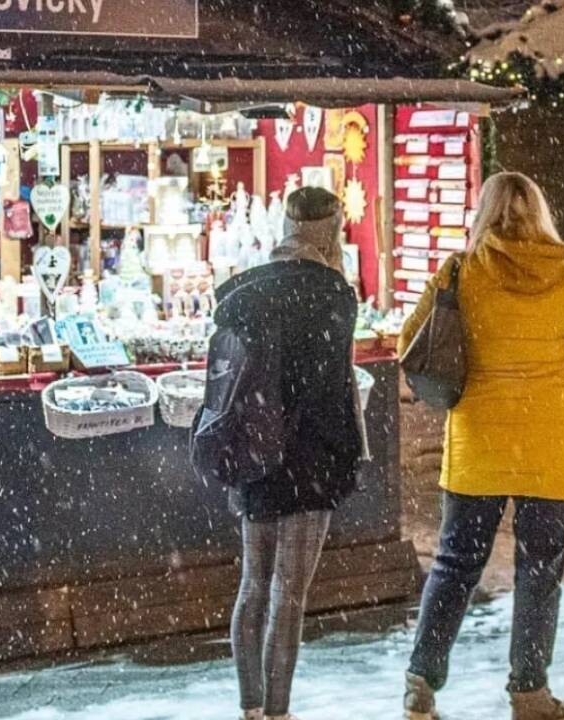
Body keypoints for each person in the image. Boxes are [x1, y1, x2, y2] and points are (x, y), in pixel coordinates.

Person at [398, 172, 564, 720]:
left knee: (454, 566)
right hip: (548, 449)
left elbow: (412, 344)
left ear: (484, 211)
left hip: (479, 443)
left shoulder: (461, 270)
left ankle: (421, 683)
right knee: (540, 571)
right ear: (541, 212)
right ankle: (529, 693)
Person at [218, 187, 365, 720]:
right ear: (331, 228)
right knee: (291, 592)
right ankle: (279, 711)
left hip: (256, 447)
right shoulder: (335, 294)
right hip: (314, 454)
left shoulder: (245, 290)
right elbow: (335, 388)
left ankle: (249, 707)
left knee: (252, 583)